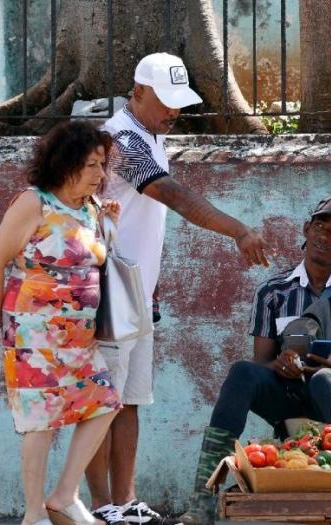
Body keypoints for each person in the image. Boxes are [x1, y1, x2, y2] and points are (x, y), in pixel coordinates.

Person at [84, 52, 270, 525]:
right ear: (138, 92)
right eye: (165, 102)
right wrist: (238, 230)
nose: (173, 112)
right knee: (100, 403)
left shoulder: (148, 132)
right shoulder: (123, 138)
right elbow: (173, 196)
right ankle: (103, 506)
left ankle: (125, 503)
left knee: (129, 400)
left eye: (178, 103)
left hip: (136, 293)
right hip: (106, 293)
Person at [177, 197, 331, 525]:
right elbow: (259, 364)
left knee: (325, 378)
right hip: (290, 396)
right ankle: (202, 502)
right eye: (320, 225)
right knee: (241, 373)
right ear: (306, 229)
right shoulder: (274, 292)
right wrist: (279, 365)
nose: (325, 235)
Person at [0, 121, 123, 525]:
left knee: (104, 404)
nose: (100, 175)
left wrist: (111, 224)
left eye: (102, 165)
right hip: (33, 333)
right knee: (40, 422)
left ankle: (64, 495)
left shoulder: (91, 208)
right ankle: (34, 512)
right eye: (91, 165)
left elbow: (96, 260)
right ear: (65, 164)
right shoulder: (33, 203)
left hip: (80, 337)